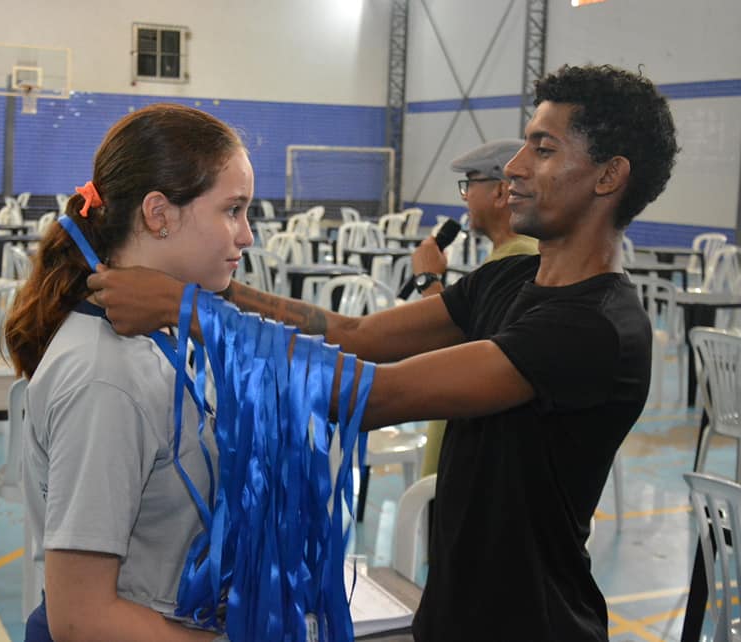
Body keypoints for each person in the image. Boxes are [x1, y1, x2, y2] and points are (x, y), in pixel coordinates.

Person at [86, 63, 678, 641]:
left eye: (543, 149)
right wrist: (215, 289)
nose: (515, 167)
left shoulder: (594, 327)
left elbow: (377, 396)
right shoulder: (510, 278)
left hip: (532, 625)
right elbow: (357, 335)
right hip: (453, 615)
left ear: (609, 176)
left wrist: (186, 309)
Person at [3, 103, 254, 642]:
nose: (246, 235)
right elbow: (82, 618)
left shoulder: (151, 337)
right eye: (233, 210)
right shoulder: (106, 378)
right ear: (158, 214)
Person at [412, 139, 539, 477]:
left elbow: (466, 357)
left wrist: (427, 279)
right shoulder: (506, 256)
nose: (465, 197)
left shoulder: (520, 259)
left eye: (469, 184)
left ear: (500, 191)